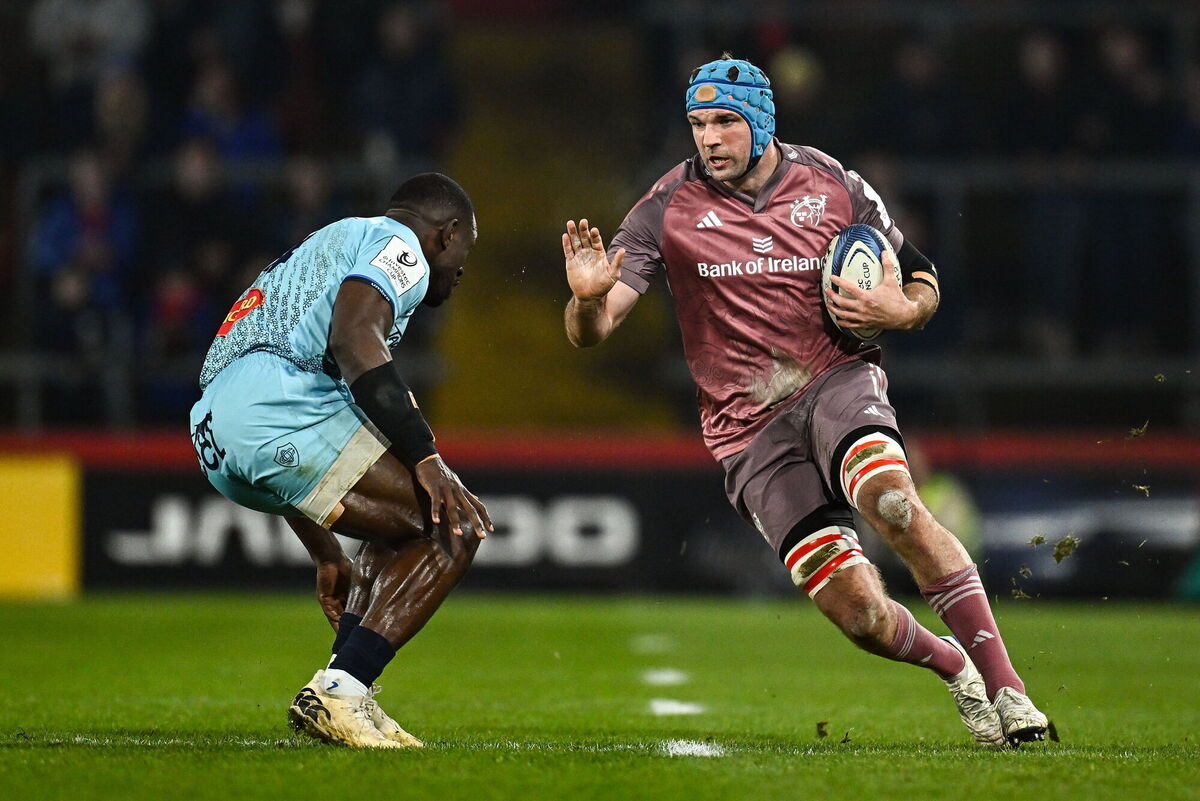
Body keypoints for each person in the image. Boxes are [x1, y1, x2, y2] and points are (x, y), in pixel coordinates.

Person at [561, 55, 1047, 748]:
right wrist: (583, 302)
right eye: (698, 124)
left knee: (893, 501)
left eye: (725, 121)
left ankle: (1010, 689)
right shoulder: (665, 208)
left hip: (834, 381)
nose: (709, 138)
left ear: (761, 121)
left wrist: (900, 310)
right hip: (747, 430)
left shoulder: (835, 184)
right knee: (861, 618)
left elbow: (921, 277)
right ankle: (955, 663)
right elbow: (596, 329)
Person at [190, 173, 493, 749]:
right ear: (447, 234)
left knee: (399, 526)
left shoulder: (334, 239)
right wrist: (426, 456)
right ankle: (344, 688)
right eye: (465, 250)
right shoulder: (400, 248)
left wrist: (326, 551)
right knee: (451, 524)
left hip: (216, 429)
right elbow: (356, 340)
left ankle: (336, 686)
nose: (461, 268)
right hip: (276, 405)